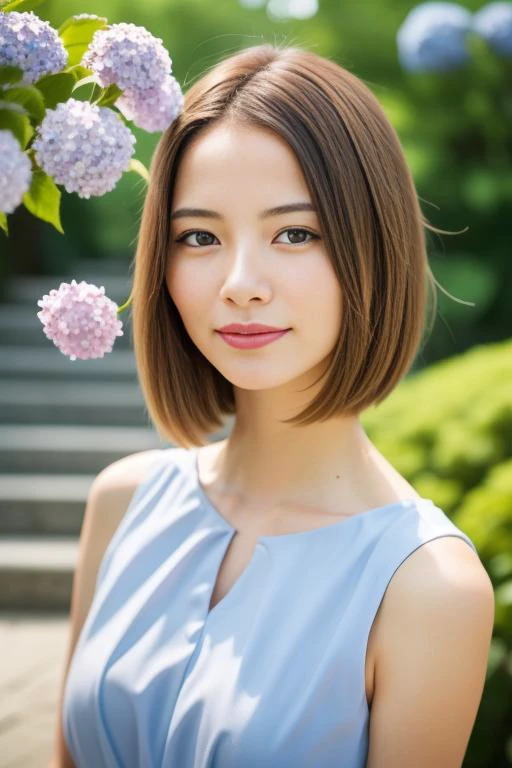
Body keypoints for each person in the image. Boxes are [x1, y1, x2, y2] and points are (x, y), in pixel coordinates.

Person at [50, 42, 495, 768]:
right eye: (200, 236)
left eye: (295, 233)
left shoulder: (428, 587)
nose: (241, 282)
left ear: (371, 247)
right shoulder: (124, 501)